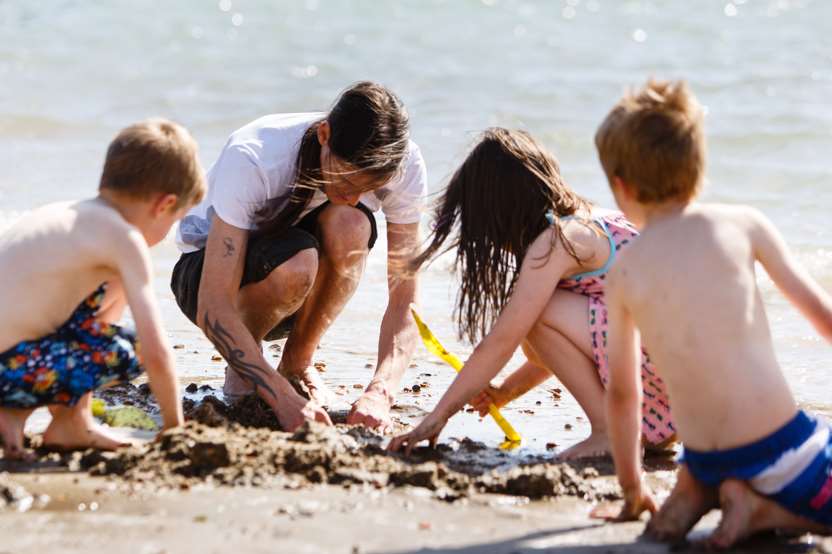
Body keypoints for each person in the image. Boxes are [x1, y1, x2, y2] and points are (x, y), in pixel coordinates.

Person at [594, 79, 832, 548]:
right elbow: (823, 319)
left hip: (701, 455)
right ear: (699, 167)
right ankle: (761, 508)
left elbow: (623, 394)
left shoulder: (623, 272)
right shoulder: (744, 223)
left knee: (702, 466)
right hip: (778, 449)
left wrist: (632, 488)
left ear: (621, 187)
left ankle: (697, 491)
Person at [388, 128, 674, 458]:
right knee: (540, 314)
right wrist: (505, 392)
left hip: (662, 373)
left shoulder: (556, 243)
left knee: (533, 315)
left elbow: (501, 341)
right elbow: (565, 347)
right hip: (686, 387)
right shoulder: (588, 221)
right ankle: (628, 429)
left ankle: (608, 431)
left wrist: (435, 419)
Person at [171, 81, 427, 432]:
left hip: (293, 278)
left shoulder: (404, 165)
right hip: (203, 275)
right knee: (299, 261)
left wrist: (380, 392)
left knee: (351, 223)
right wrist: (282, 399)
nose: (355, 196)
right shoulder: (255, 155)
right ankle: (245, 370)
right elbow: (212, 304)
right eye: (348, 180)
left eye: (366, 188)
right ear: (324, 134)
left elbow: (405, 303)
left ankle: (296, 364)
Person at [0, 118, 204, 460]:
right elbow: (155, 350)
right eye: (174, 220)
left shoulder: (65, 215)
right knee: (130, 345)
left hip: (11, 364)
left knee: (110, 288)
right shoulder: (123, 238)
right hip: (9, 373)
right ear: (164, 205)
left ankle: (69, 423)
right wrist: (174, 432)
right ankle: (13, 415)